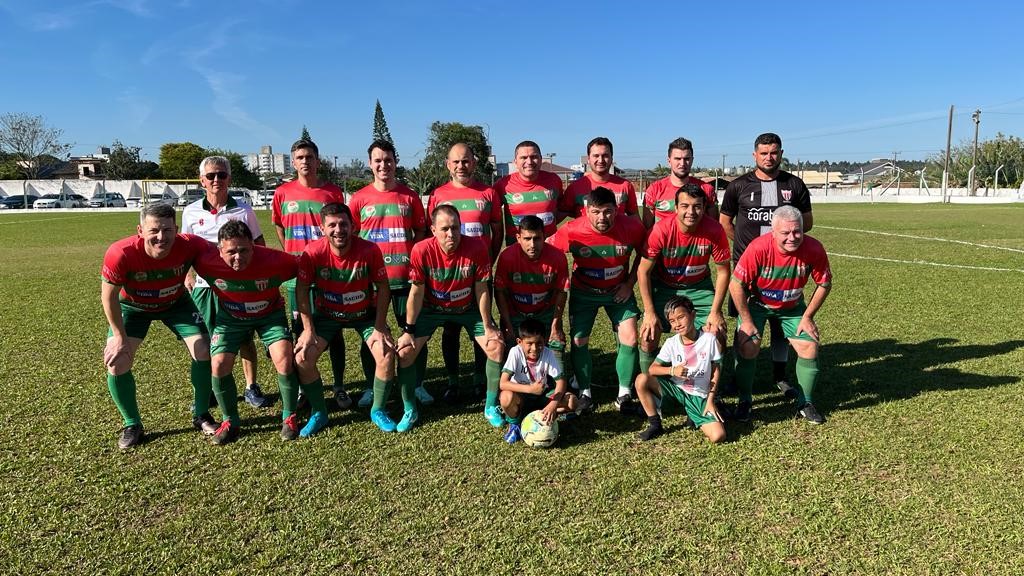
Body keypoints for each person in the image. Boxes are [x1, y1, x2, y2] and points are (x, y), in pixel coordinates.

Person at [100, 203, 214, 449]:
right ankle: (132, 424)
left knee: (204, 349)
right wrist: (118, 335)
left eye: (167, 230)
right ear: (140, 230)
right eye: (154, 230)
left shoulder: (191, 244)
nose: (161, 237)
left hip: (176, 303)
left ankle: (202, 413)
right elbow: (108, 297)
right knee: (118, 361)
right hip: (133, 308)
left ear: (176, 229)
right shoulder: (121, 252)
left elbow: (221, 261)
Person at [191, 221, 312, 444]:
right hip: (230, 319)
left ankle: (289, 417)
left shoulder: (277, 260)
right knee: (218, 364)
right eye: (231, 252)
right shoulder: (206, 262)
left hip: (270, 316)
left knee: (284, 359)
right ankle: (230, 421)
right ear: (219, 250)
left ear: (253, 247)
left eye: (244, 250)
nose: (238, 257)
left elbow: (308, 265)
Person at [720, 132, 814, 408]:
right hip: (748, 267)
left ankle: (779, 376)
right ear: (754, 155)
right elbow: (726, 222)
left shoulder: (794, 185)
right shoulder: (738, 186)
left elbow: (806, 222)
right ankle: (738, 379)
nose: (768, 157)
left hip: (782, 266)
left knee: (779, 322)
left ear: (781, 153)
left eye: (773, 152)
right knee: (745, 321)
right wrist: (749, 251)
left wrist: (781, 244)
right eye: (763, 153)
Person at [293, 203, 401, 433]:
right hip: (327, 316)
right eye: (331, 225)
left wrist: (380, 327)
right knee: (303, 357)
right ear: (322, 229)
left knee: (386, 353)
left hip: (364, 315)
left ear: (353, 226)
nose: (338, 229)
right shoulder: (312, 253)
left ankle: (378, 409)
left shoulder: (370, 250)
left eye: (343, 224)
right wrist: (308, 329)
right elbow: (302, 290)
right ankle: (319, 412)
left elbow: (383, 287)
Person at [396, 205, 506, 430]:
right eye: (444, 228)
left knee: (495, 345)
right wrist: (408, 330)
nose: (451, 234)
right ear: (433, 230)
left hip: (467, 308)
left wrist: (488, 324)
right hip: (432, 310)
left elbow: (482, 289)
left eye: (455, 228)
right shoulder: (420, 250)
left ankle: (490, 406)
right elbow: (416, 293)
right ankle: (409, 410)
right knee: (405, 353)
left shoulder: (477, 247)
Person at [547, 186, 646, 414]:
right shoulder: (572, 230)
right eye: (596, 211)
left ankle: (624, 393)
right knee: (579, 341)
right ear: (585, 210)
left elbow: (645, 253)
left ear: (617, 210)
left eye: (608, 211)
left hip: (618, 292)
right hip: (584, 293)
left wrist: (629, 284)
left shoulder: (632, 227)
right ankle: (584, 392)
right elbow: (549, 251)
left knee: (630, 338)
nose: (602, 217)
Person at [730, 206, 832, 424]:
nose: (792, 238)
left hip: (793, 307)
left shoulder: (814, 248)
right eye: (785, 233)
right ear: (773, 232)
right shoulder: (758, 248)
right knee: (748, 345)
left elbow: (824, 283)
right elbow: (735, 285)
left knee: (809, 345)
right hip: (757, 304)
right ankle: (745, 400)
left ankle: (805, 402)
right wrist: (746, 321)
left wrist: (807, 316)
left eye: (797, 231)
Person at [182, 155, 269, 409]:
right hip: (203, 288)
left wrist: (255, 278)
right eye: (211, 176)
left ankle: (251, 387)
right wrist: (188, 275)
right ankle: (210, 387)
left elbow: (259, 246)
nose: (216, 179)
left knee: (243, 338)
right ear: (202, 181)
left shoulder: (244, 210)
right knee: (205, 338)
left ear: (229, 178)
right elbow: (184, 249)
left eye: (221, 174)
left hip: (237, 288)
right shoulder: (190, 212)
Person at [348, 139, 429, 408]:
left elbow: (420, 233)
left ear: (396, 161)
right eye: (378, 160)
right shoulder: (359, 198)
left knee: (413, 333)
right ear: (370, 164)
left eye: (388, 160)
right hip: (371, 282)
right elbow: (351, 236)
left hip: (406, 280)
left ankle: (417, 384)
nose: (384, 165)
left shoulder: (410, 196)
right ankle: (374, 386)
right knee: (372, 336)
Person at [271, 138, 349, 408]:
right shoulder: (282, 193)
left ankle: (339, 385)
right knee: (300, 332)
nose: (305, 161)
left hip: (328, 274)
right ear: (293, 162)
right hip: (297, 276)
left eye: (309, 157)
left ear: (318, 160)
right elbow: (280, 227)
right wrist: (294, 254)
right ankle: (305, 388)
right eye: (300, 157)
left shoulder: (333, 193)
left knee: (334, 331)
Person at [428, 143, 503, 403]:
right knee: (450, 330)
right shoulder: (438, 194)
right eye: (456, 162)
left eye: (466, 161)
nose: (462, 166)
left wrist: (488, 262)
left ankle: (479, 380)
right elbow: (434, 234)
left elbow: (497, 229)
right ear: (448, 164)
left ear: (474, 162)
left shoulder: (488, 192)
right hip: (450, 276)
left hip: (478, 274)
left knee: (481, 326)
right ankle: (452, 381)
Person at [637, 186, 730, 381]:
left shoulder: (714, 229)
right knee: (648, 334)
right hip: (664, 286)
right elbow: (643, 271)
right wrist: (649, 312)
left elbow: (723, 272)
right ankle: (651, 386)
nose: (691, 212)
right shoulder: (660, 229)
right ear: (676, 207)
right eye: (685, 206)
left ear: (704, 207)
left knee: (717, 332)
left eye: (697, 206)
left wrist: (716, 311)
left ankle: (708, 387)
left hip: (699, 287)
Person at [634, 296, 725, 443]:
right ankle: (655, 424)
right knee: (641, 379)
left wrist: (710, 400)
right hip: (676, 390)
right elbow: (652, 369)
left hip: (698, 395)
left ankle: (693, 413)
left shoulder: (709, 340)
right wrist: (672, 371)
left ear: (693, 315)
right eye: (672, 321)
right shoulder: (671, 342)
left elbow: (715, 370)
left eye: (681, 317)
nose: (677, 324)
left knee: (718, 436)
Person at [493, 215, 569, 373]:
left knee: (557, 343)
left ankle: (558, 385)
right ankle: (508, 386)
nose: (532, 244)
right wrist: (507, 324)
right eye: (527, 239)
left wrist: (555, 326)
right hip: (516, 313)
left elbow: (561, 292)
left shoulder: (558, 257)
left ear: (544, 237)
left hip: (545, 313)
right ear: (518, 238)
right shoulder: (507, 257)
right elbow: (500, 292)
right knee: (506, 349)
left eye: (537, 238)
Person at [498, 318, 577, 444]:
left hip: (542, 397)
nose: (534, 348)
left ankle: (548, 413)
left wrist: (553, 404)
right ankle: (514, 425)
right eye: (529, 343)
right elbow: (503, 383)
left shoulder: (548, 353)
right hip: (521, 397)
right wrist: (530, 389)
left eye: (539, 343)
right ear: (519, 342)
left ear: (545, 341)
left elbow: (561, 382)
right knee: (506, 398)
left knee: (572, 401)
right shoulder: (515, 352)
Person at [495, 140, 564, 245]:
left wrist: (548, 224)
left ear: (541, 159)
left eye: (534, 157)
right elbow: (489, 215)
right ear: (515, 162)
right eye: (523, 158)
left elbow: (562, 209)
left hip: (548, 248)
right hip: (516, 249)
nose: (529, 162)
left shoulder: (554, 180)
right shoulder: (503, 185)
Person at [642, 137, 718, 228]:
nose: (682, 163)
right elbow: (646, 229)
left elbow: (715, 227)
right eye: (677, 159)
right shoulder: (654, 190)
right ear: (669, 161)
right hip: (664, 241)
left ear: (692, 160)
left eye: (686, 159)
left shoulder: (706, 189)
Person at [558, 136, 639, 220]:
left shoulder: (625, 186)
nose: (600, 160)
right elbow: (559, 216)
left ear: (612, 158)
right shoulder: (574, 188)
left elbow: (634, 217)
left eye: (605, 156)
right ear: (588, 159)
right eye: (596, 156)